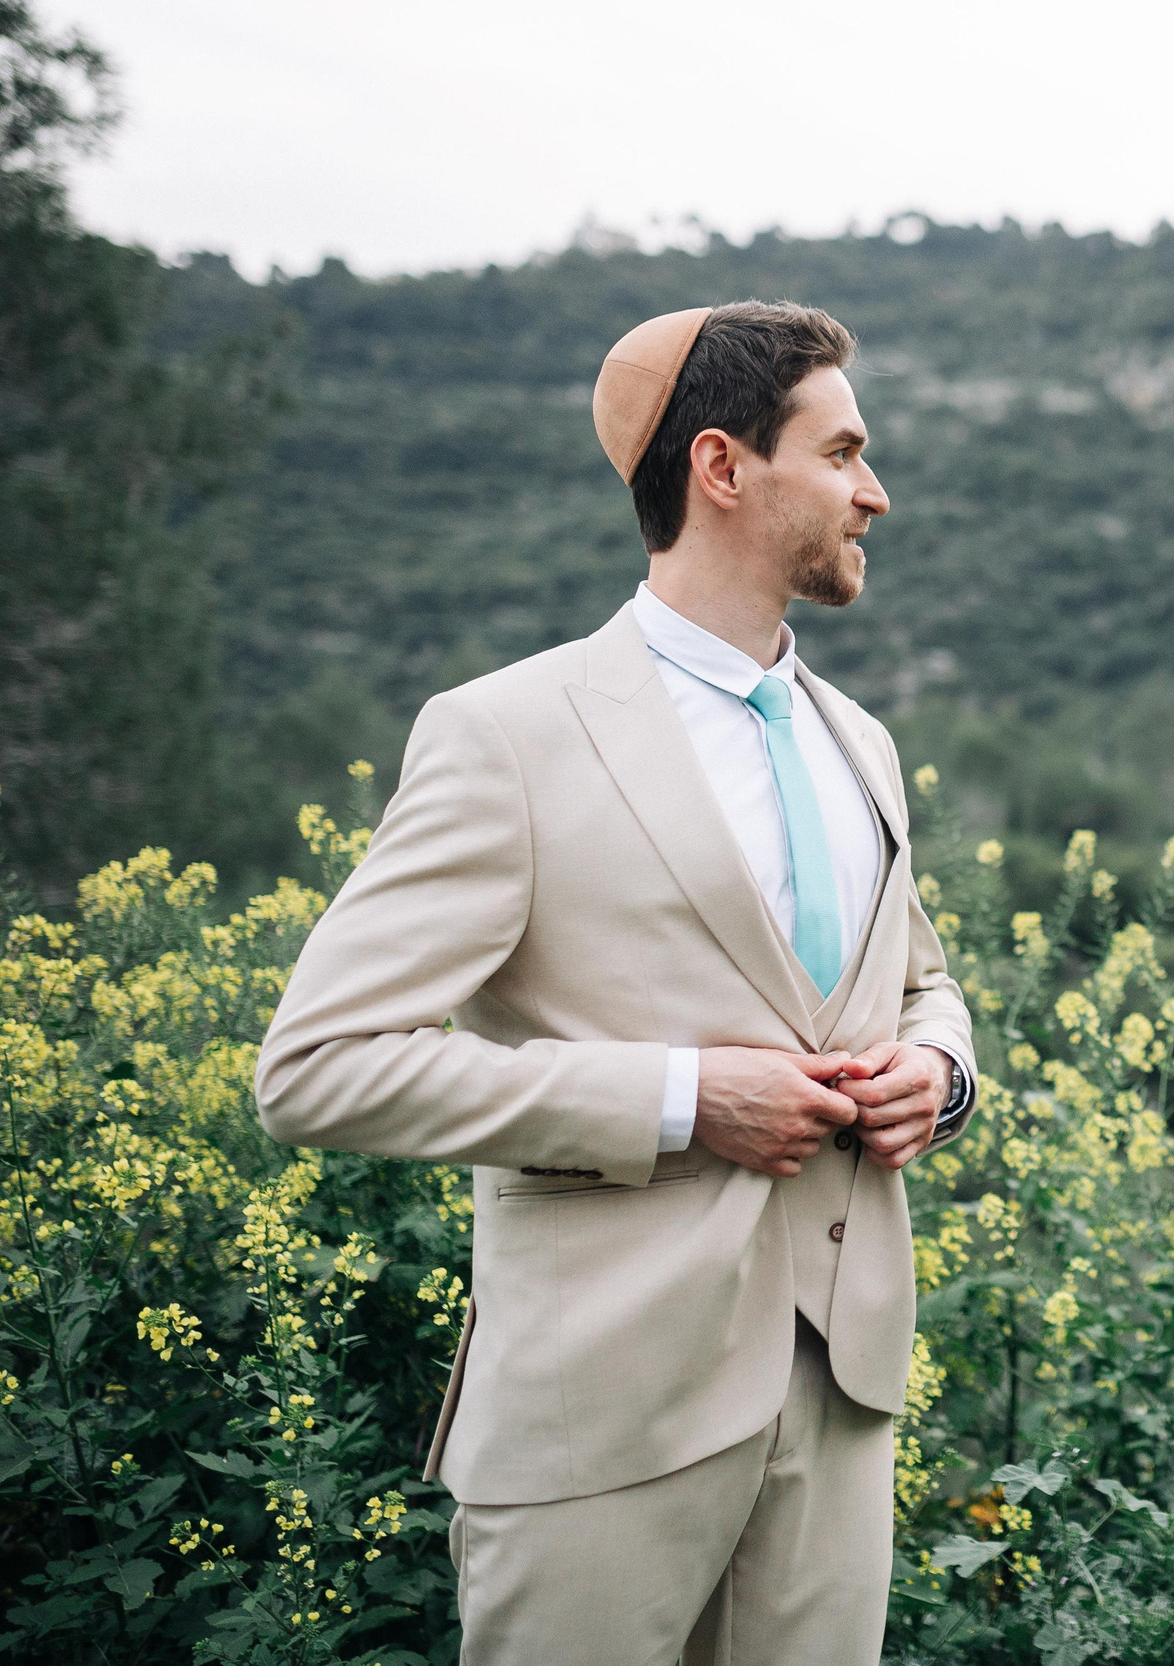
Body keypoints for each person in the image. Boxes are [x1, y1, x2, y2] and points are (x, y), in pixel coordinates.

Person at [255, 300, 976, 1664]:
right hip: (600, 1420)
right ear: (722, 468)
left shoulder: (858, 742)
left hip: (838, 1405)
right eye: (841, 453)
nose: (873, 492)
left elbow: (922, 983)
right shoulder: (505, 737)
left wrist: (940, 1076)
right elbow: (316, 1066)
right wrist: (678, 1099)